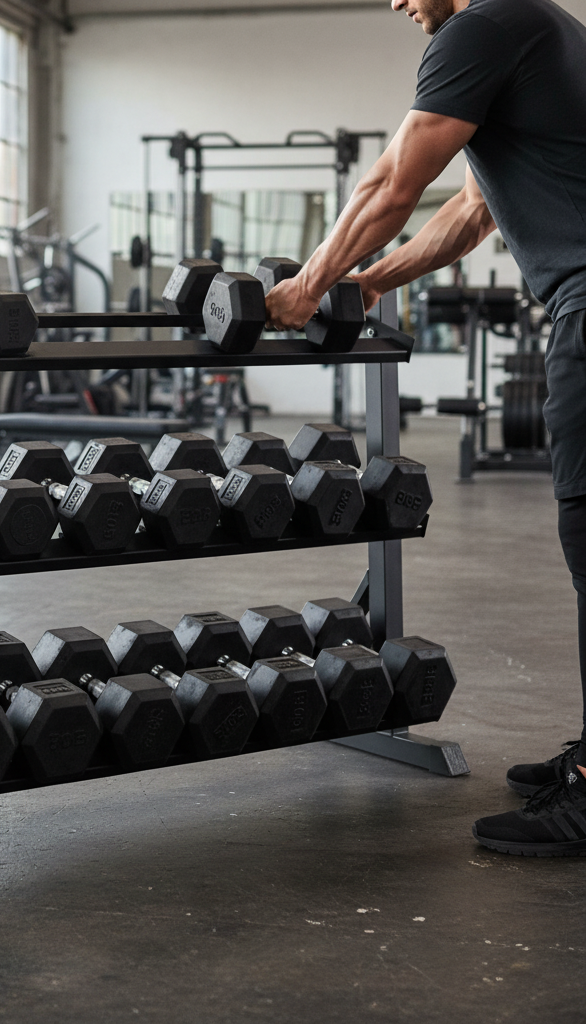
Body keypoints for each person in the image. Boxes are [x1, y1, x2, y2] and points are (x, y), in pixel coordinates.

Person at [264, 0, 586, 855]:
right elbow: (470, 213)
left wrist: (308, 282)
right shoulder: (542, 28)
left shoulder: (479, 30)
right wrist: (370, 282)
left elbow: (391, 184)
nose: (399, 2)